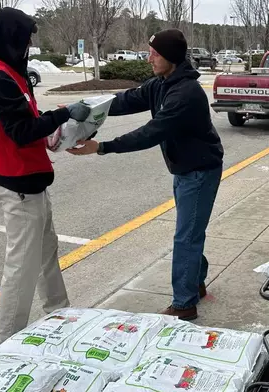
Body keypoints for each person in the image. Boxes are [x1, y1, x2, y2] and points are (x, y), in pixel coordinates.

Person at [68, 28, 224, 321]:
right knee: (189, 232)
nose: (149, 58)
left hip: (200, 171)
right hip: (185, 169)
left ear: (172, 58)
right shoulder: (162, 83)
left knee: (186, 236)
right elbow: (125, 100)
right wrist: (83, 109)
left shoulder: (186, 94)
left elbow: (150, 133)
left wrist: (101, 147)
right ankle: (195, 282)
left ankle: (184, 303)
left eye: (155, 53)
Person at [0, 7, 91, 346]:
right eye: (26, 37)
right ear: (12, 38)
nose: (29, 44)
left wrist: (56, 133)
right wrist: (62, 113)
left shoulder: (14, 73)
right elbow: (21, 131)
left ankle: (60, 312)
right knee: (22, 267)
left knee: (46, 255)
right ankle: (4, 342)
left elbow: (30, 119)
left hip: (33, 182)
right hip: (17, 187)